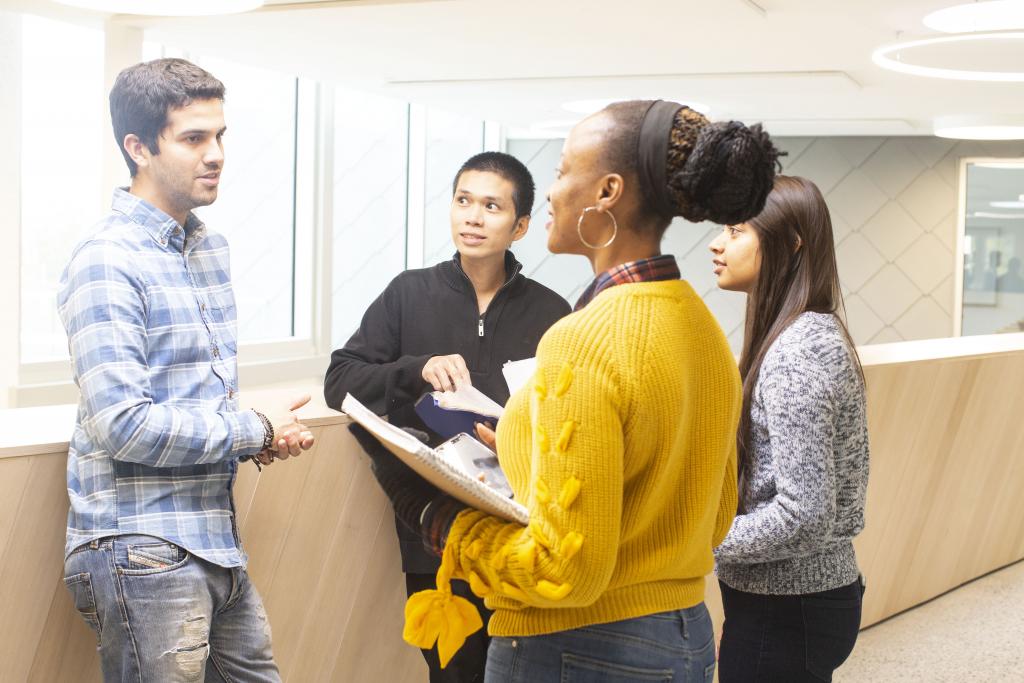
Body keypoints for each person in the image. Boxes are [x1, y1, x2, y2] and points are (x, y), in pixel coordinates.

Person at [349, 100, 781, 681]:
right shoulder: (701, 325)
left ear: (606, 191)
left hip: (577, 649)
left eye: (559, 172)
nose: (550, 194)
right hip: (684, 635)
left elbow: (560, 571)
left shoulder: (582, 338)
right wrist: (527, 451)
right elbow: (716, 513)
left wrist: (433, 512)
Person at [57, 58, 314, 683]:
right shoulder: (106, 260)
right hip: (141, 547)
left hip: (214, 540)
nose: (216, 153)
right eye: (194, 138)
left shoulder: (208, 249)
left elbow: (194, 398)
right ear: (138, 147)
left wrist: (262, 435)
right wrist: (252, 429)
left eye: (220, 135)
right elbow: (124, 424)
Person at [324, 151, 570, 682]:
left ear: (521, 225)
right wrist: (416, 369)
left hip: (523, 534)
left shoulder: (553, 313)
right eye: (463, 201)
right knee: (452, 675)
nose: (473, 217)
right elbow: (339, 380)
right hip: (434, 533)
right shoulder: (407, 293)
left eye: (491, 206)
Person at [709, 175, 870, 682]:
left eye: (735, 230)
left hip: (789, 605)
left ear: (791, 242)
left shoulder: (799, 352)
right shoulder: (795, 334)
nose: (717, 242)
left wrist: (700, 541)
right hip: (791, 599)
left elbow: (805, 515)